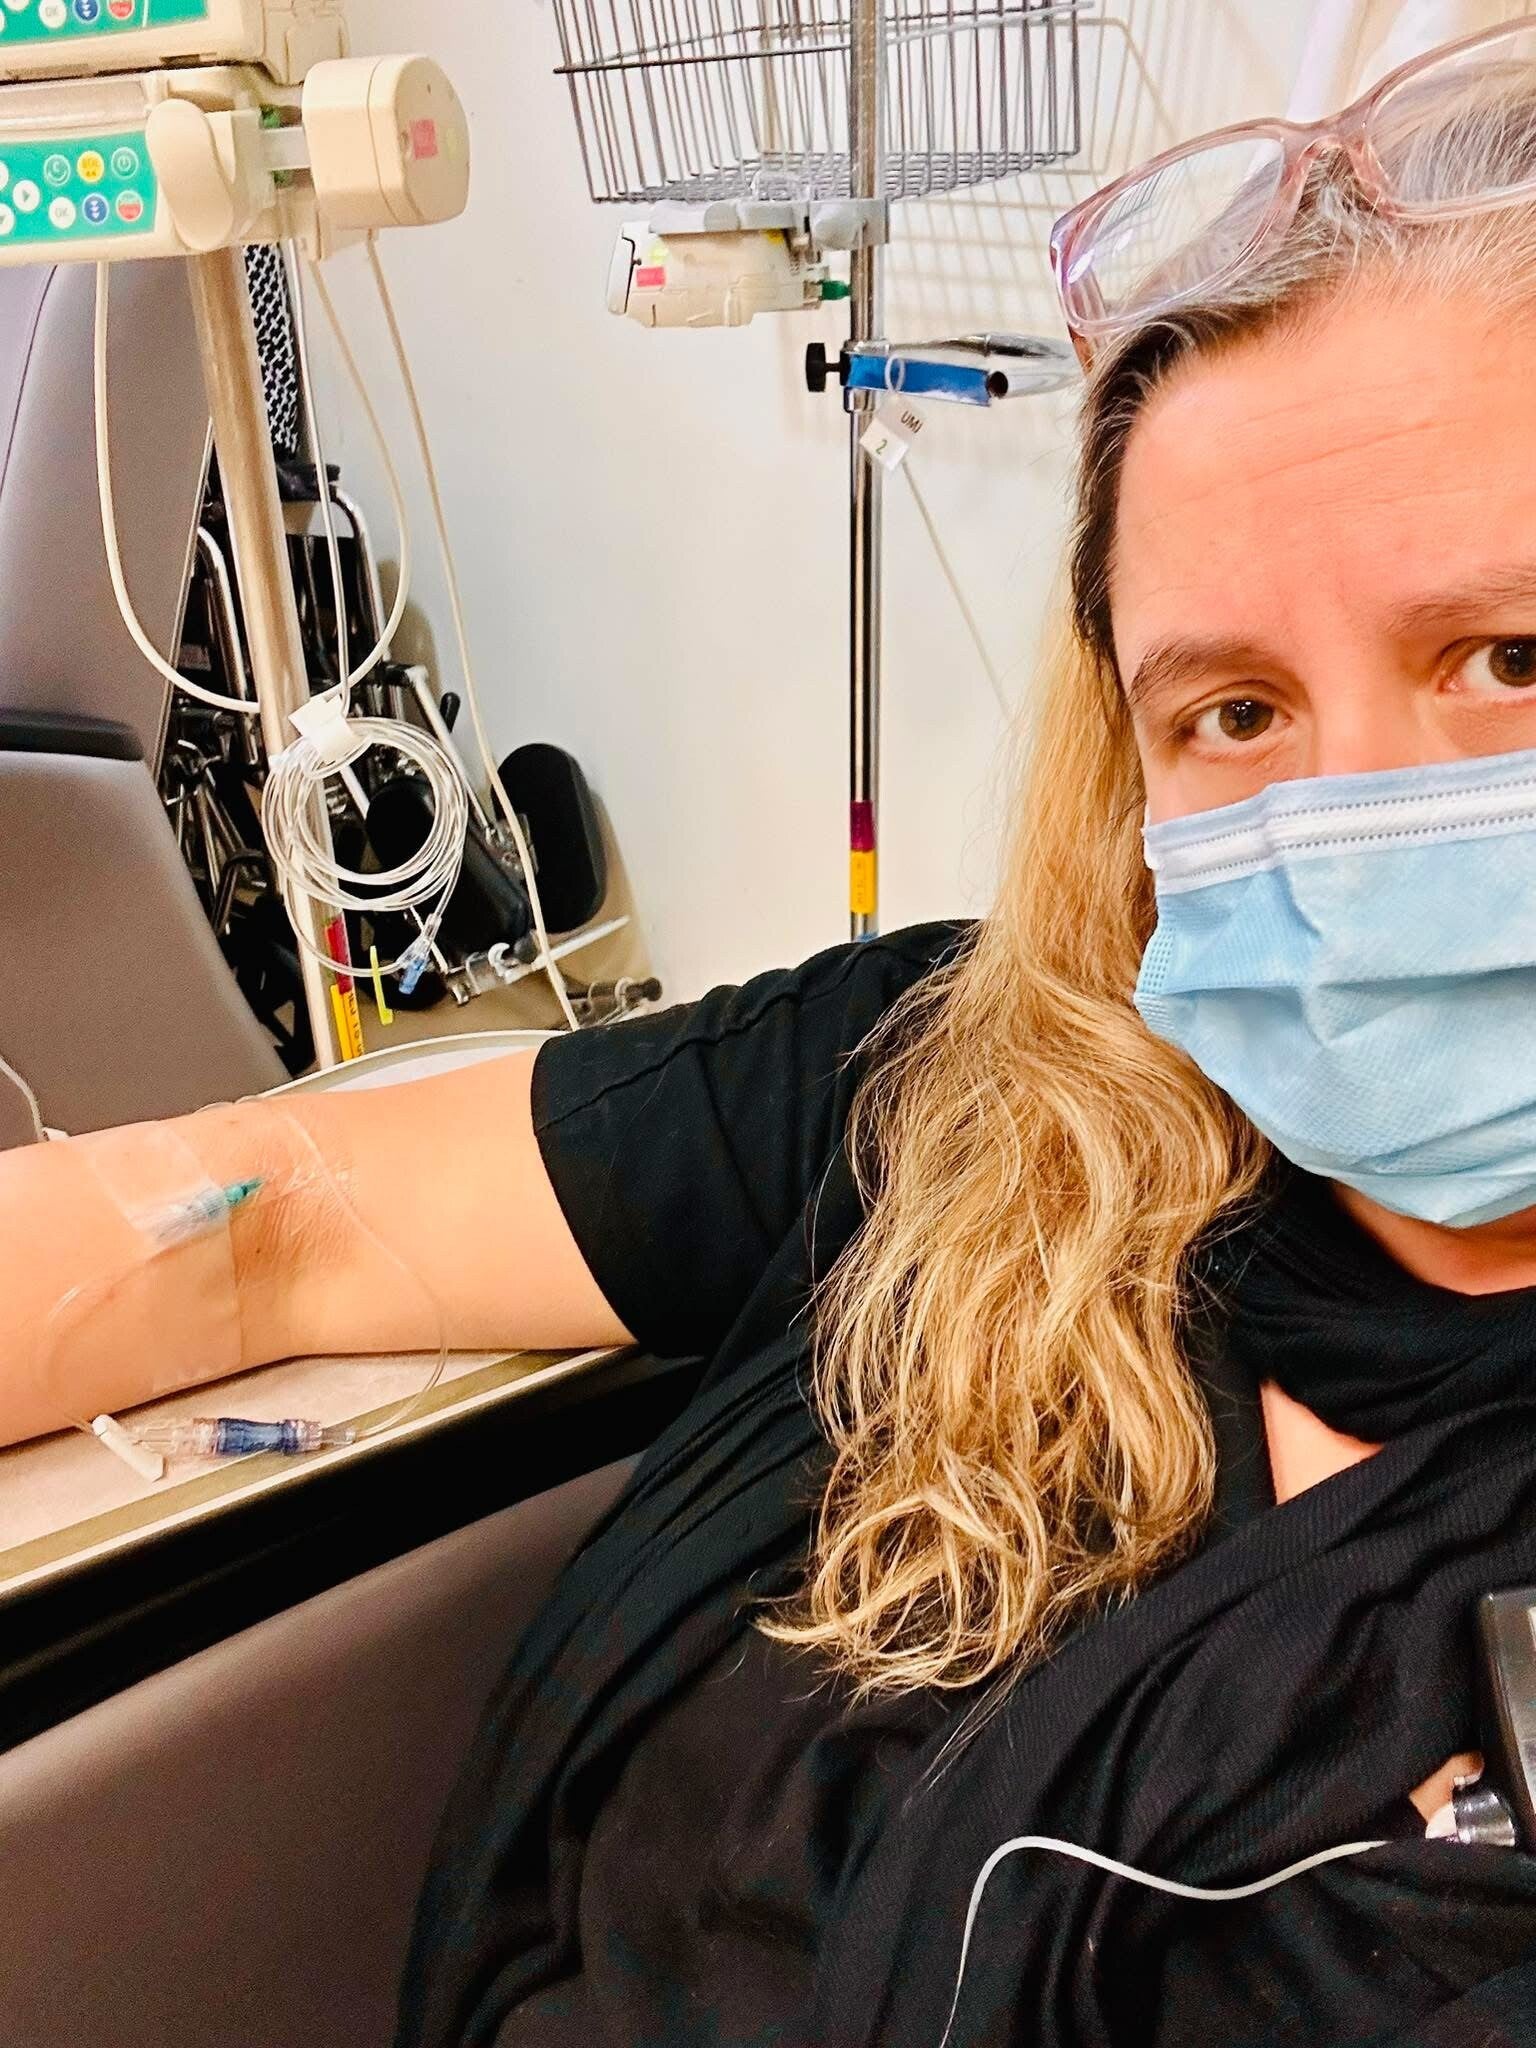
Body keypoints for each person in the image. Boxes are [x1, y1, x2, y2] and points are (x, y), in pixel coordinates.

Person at [12, 17, 1536, 2044]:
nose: (1352, 816)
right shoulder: (971, 1079)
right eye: (1232, 711)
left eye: (1509, 656)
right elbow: (261, 1221)